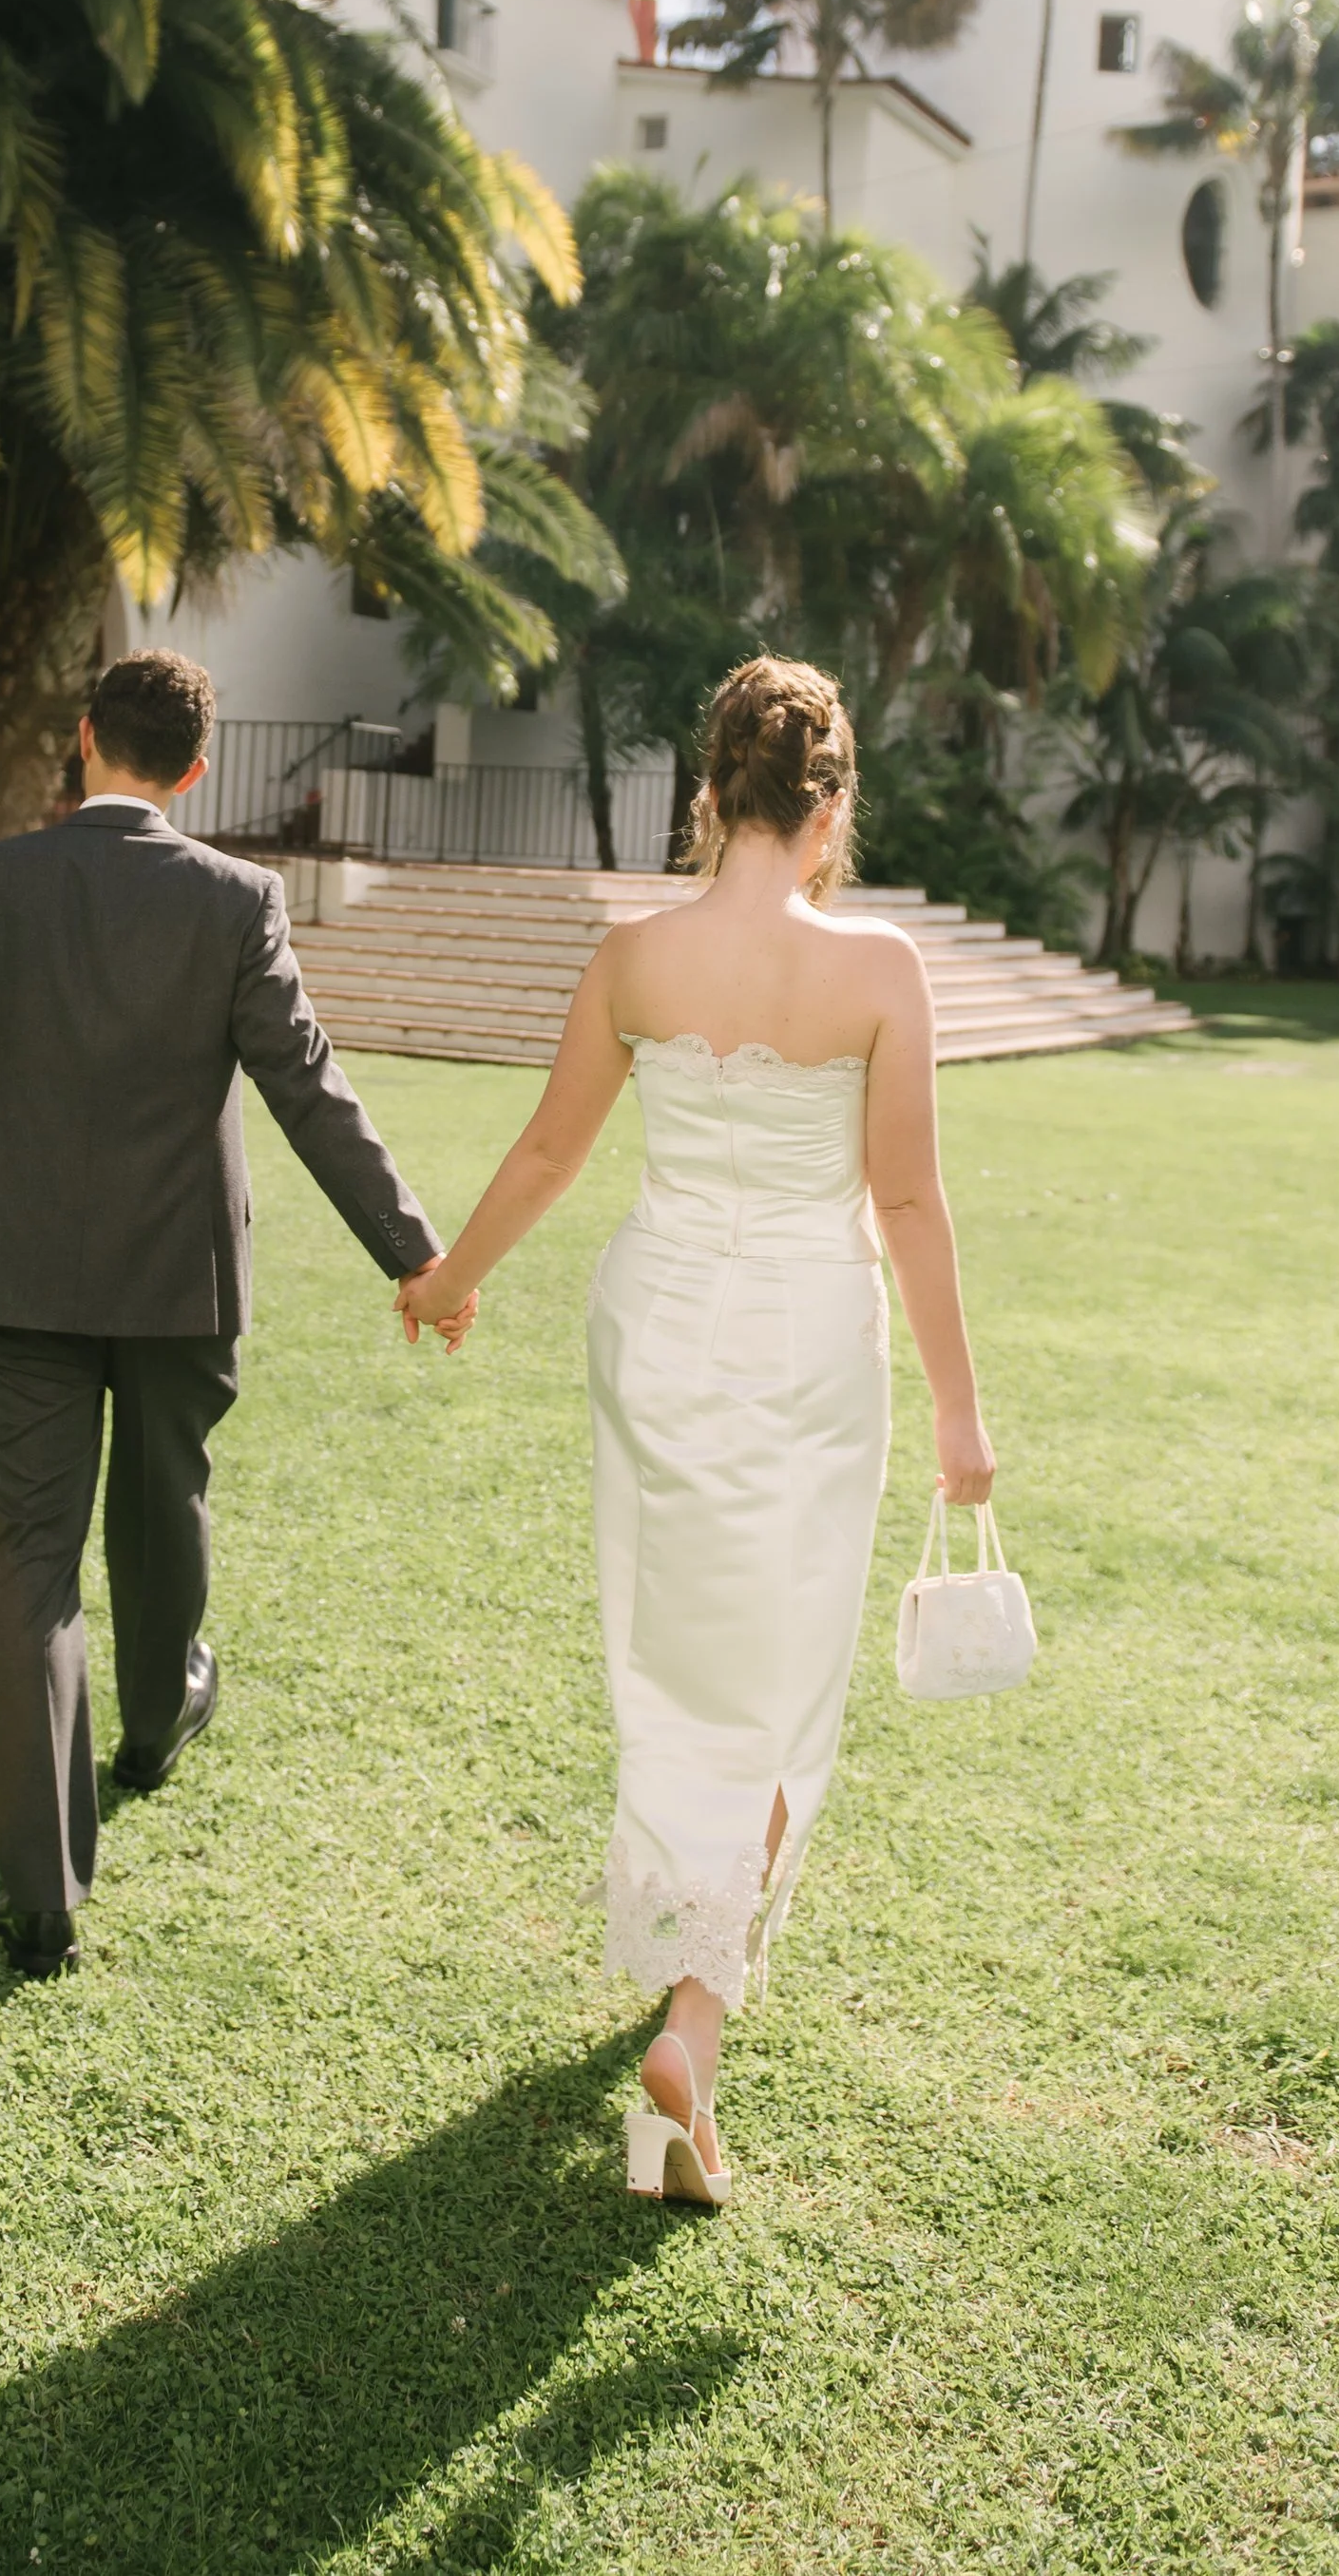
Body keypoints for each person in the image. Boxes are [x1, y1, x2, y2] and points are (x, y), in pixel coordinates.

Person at [398, 657, 996, 2205]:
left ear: (711, 792)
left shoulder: (633, 957)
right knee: (787, 1687)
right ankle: (694, 2024)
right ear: (829, 805)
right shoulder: (879, 972)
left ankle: (689, 1980)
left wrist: (452, 1278)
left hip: (657, 1325)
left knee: (673, 1661)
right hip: (808, 1339)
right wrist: (961, 1415)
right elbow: (911, 1199)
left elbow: (548, 1149)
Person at [0, 648, 466, 1981]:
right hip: (181, 1278)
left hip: (15, 1273)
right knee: (165, 1496)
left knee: (29, 1552)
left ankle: (42, 1896)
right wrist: (413, 1252)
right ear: (191, 769)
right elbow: (309, 1086)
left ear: (82, 742)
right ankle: (157, 1716)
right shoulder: (238, 898)